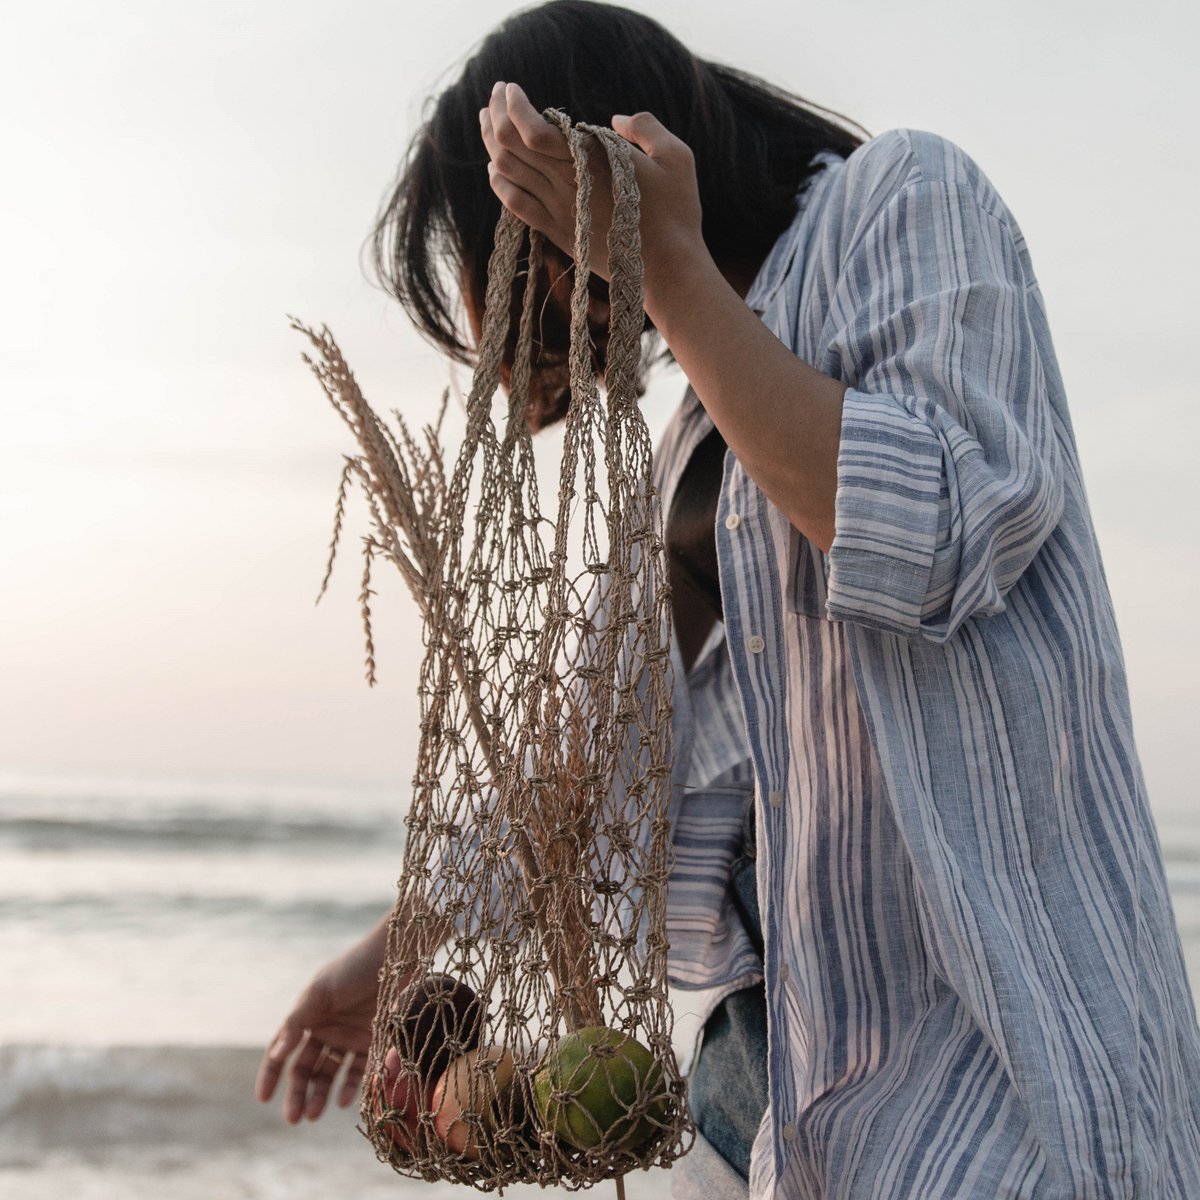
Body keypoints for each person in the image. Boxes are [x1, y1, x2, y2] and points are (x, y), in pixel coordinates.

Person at [256, 2, 1200, 1196]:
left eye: (537, 233)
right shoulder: (694, 429)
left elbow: (939, 533)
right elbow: (583, 771)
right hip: (770, 1087)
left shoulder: (901, 198)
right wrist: (387, 959)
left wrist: (669, 271)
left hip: (995, 1057)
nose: (553, 288)